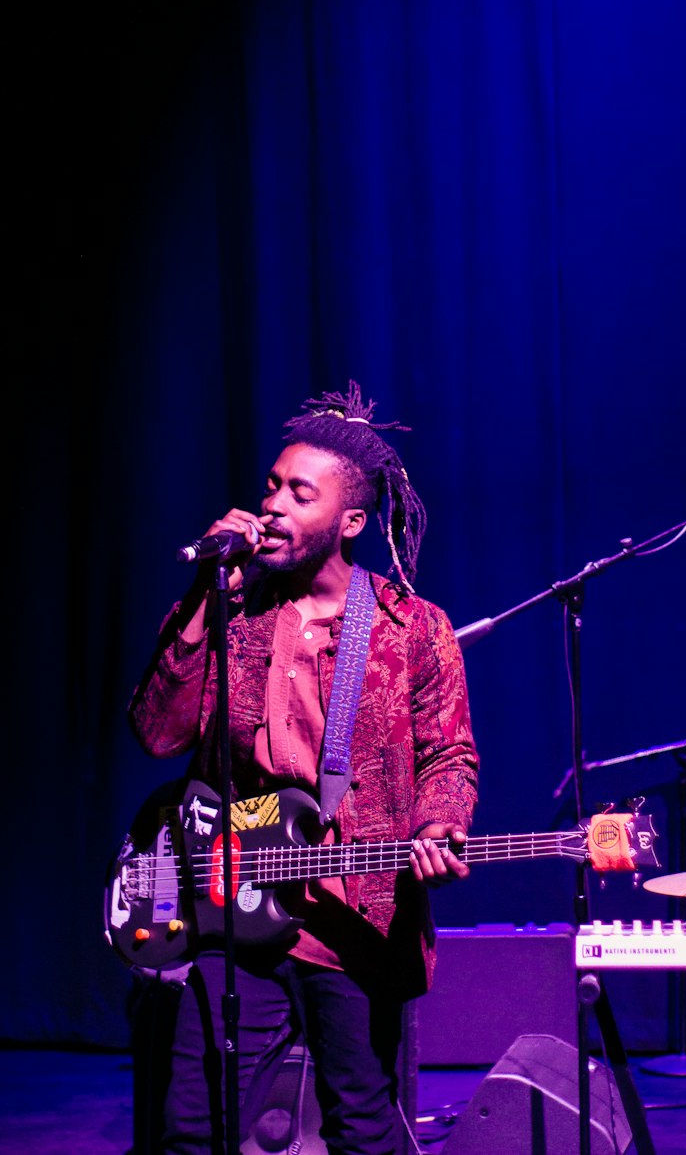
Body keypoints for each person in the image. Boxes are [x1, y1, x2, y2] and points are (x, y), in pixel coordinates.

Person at [128, 382, 480, 1155]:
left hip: (350, 916)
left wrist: (437, 825)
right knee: (189, 1128)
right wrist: (201, 595)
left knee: (362, 1123)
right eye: (271, 486)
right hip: (229, 910)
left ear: (350, 520)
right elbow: (157, 732)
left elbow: (449, 753)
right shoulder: (234, 610)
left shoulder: (411, 627)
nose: (273, 505)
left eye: (300, 493)